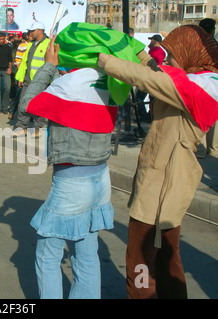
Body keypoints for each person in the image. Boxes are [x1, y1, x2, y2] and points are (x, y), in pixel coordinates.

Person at [23, 23, 147, 298]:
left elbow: (28, 104)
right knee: (86, 251)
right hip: (100, 177)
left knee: (47, 252)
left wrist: (47, 67)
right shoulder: (110, 81)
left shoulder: (68, 84)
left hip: (71, 181)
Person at [98, 25, 218, 298]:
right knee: (167, 260)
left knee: (141, 262)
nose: (170, 59)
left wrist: (110, 64)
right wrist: (138, 51)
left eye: (173, 54)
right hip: (164, 180)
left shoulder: (203, 88)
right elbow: (160, 72)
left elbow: (155, 81)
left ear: (190, 53)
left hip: (162, 183)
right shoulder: (194, 80)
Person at [14, 21, 50, 138]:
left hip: (41, 81)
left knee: (39, 105)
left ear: (40, 31)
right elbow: (25, 62)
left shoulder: (48, 44)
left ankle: (37, 128)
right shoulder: (30, 44)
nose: (30, 33)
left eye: (32, 31)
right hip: (28, 80)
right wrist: (21, 77)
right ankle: (21, 127)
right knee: (23, 104)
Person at [197, 18, 217, 157]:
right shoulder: (215, 46)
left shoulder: (192, 44)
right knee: (214, 119)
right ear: (212, 31)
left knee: (197, 116)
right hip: (213, 84)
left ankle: (198, 149)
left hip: (196, 83)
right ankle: (212, 149)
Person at [136, 34, 166, 123]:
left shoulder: (154, 51)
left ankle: (144, 116)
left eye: (151, 40)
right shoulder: (162, 51)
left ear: (155, 41)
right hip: (156, 77)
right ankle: (151, 115)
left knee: (139, 97)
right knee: (152, 98)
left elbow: (148, 63)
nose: (150, 42)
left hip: (149, 77)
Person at [9, 33, 30, 119]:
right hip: (23, 75)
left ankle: (30, 116)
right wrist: (21, 73)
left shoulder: (36, 46)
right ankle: (12, 111)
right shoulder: (22, 46)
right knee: (19, 94)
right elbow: (17, 61)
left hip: (32, 74)